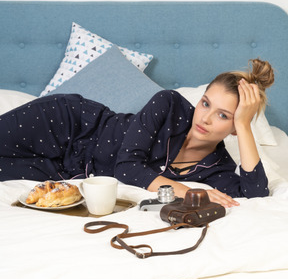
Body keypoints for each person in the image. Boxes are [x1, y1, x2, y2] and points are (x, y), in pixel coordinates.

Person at [0, 58, 274, 208]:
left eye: (224, 116)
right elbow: (126, 168)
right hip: (67, 125)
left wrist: (245, 125)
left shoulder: (218, 169)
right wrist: (183, 190)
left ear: (235, 126)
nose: (205, 118)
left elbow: (256, 196)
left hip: (64, 172)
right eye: (205, 103)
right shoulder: (169, 104)